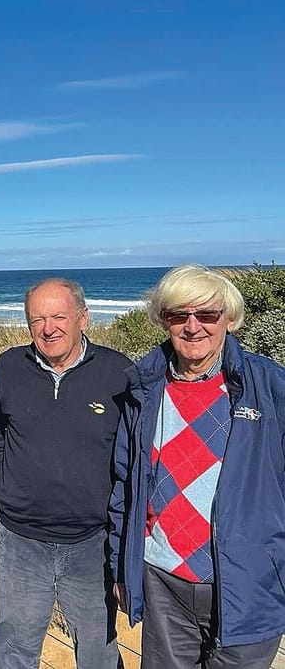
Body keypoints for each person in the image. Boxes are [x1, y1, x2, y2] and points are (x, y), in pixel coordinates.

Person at [110, 264, 285, 668]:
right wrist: (123, 566)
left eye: (207, 315)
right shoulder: (144, 389)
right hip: (163, 581)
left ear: (229, 320)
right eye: (179, 315)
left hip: (248, 582)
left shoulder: (270, 386)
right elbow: (125, 483)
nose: (193, 327)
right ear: (164, 320)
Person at [0, 278, 130, 668]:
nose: (48, 328)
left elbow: (134, 450)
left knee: (99, 649)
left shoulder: (118, 373)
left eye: (59, 316)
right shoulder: (11, 365)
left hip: (91, 542)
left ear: (83, 318)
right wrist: (5, 467)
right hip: (22, 541)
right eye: (37, 320)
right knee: (13, 647)